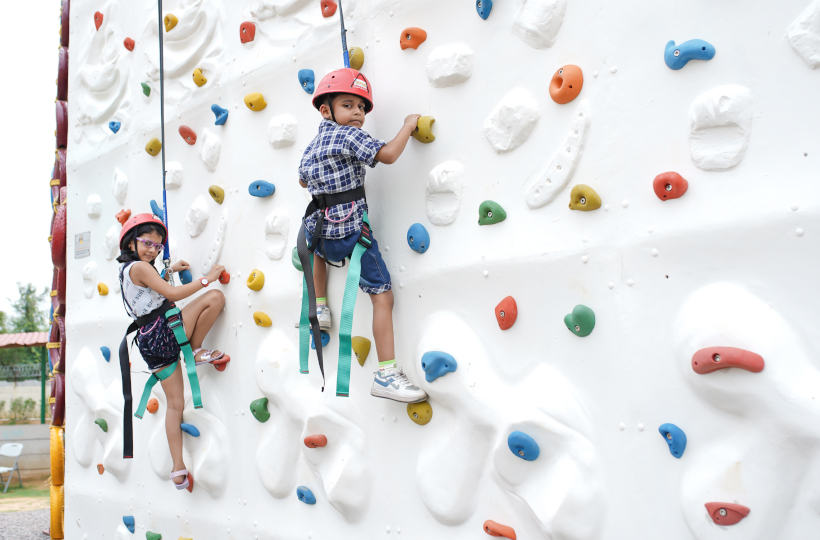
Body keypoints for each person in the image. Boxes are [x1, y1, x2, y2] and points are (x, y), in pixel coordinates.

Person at [297, 67, 427, 403]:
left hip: (320, 232)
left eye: (361, 108)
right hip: (352, 233)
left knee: (317, 250)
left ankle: (321, 306)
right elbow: (387, 155)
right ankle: (386, 374)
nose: (357, 113)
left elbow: (301, 180)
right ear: (326, 110)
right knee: (382, 297)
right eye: (348, 105)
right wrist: (407, 126)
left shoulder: (313, 144)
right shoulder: (349, 136)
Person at [116, 213, 227, 491]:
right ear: (131, 243)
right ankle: (198, 348)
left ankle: (178, 469)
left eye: (156, 246)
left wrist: (169, 271)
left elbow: (148, 292)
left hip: (148, 343)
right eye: (146, 243)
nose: (152, 250)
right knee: (215, 298)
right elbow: (172, 296)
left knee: (175, 405)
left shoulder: (129, 271)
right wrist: (208, 279)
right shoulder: (141, 268)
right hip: (165, 330)